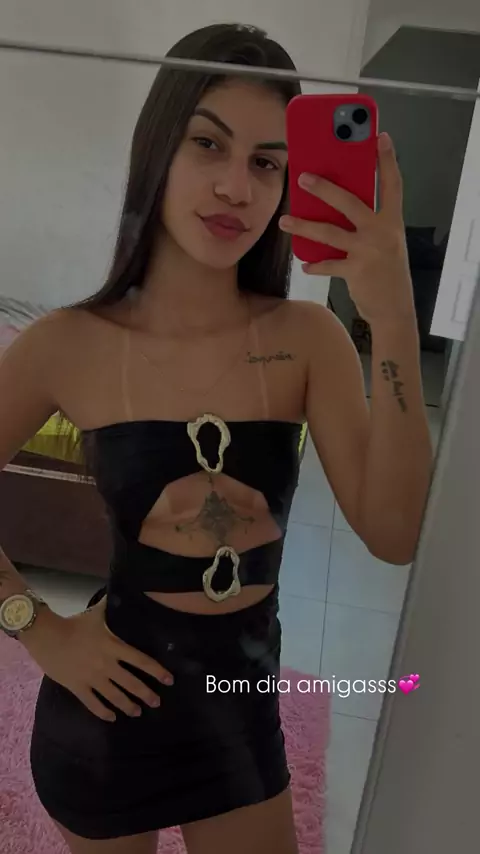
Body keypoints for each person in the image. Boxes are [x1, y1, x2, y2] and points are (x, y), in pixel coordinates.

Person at [0, 22, 433, 854]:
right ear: (159, 148)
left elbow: (395, 531)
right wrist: (36, 626)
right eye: (209, 144)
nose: (237, 186)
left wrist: (393, 317)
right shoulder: (68, 345)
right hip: (107, 717)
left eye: (267, 163)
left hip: (241, 715)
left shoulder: (309, 340)